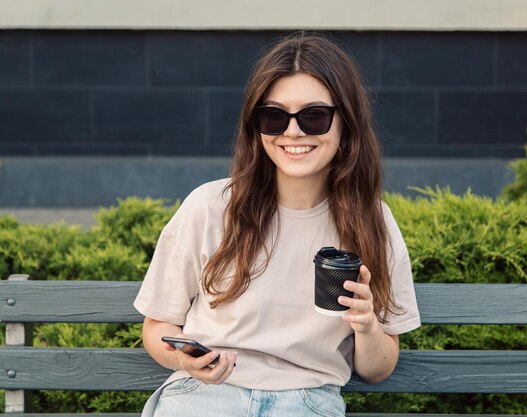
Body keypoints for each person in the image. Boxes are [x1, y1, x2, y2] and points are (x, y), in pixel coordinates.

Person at [133, 31, 421, 417]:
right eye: (274, 116)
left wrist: (367, 324)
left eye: (314, 116)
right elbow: (156, 329)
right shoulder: (210, 207)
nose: (293, 131)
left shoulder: (373, 221)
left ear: (345, 124)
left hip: (307, 399)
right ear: (257, 126)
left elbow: (378, 368)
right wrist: (186, 361)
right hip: (205, 395)